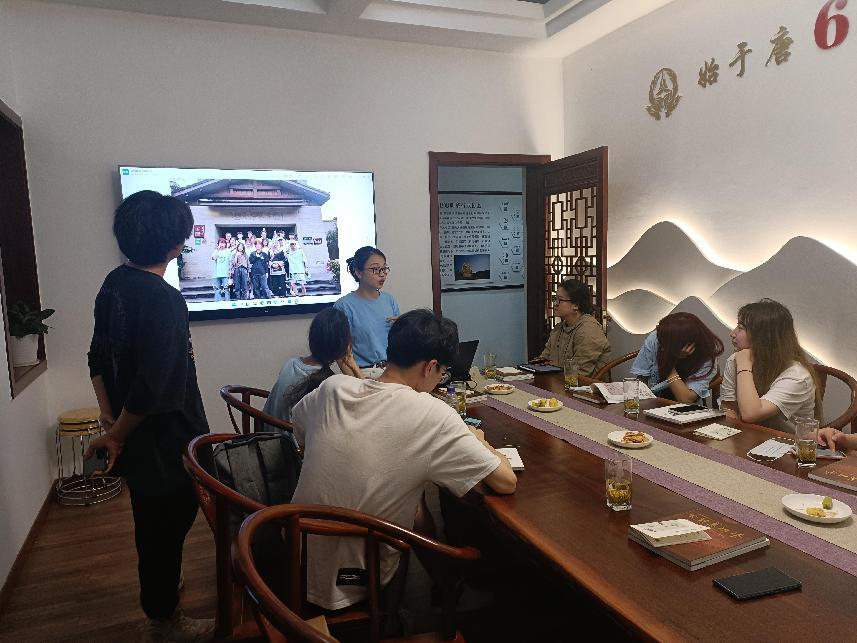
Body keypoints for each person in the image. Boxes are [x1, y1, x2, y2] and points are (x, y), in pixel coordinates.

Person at [290, 309, 516, 611]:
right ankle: (401, 613)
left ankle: (444, 586)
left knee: (415, 506)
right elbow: (505, 482)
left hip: (297, 553)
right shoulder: (432, 414)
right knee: (415, 509)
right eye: (443, 372)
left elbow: (300, 432)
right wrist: (480, 440)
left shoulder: (333, 387)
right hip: (354, 578)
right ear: (431, 367)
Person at [84, 190, 213, 642]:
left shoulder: (113, 283)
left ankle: (164, 589)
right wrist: (117, 433)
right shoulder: (164, 299)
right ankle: (163, 621)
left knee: (152, 524)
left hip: (135, 436)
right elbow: (155, 390)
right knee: (165, 527)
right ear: (176, 244)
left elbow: (96, 357)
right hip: (167, 441)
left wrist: (110, 420)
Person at [720, 299, 821, 433]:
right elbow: (728, 407)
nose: (732, 334)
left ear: (764, 337)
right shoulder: (735, 360)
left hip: (788, 441)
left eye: (741, 328)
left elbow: (751, 414)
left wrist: (744, 366)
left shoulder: (797, 376)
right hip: (748, 436)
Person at [262, 307, 361, 427]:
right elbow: (365, 403)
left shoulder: (291, 363)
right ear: (343, 345)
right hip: (290, 438)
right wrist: (353, 365)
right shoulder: (329, 383)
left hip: (267, 433)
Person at [630, 312, 724, 404]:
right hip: (654, 402)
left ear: (688, 345)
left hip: (684, 409)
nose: (661, 347)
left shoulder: (707, 359)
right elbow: (641, 379)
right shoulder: (656, 338)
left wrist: (670, 362)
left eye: (665, 344)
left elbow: (686, 399)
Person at [333, 246, 400, 367]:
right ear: (358, 272)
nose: (382, 274)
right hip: (365, 371)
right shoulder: (343, 306)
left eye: (384, 268)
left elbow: (400, 341)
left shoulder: (389, 300)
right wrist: (359, 378)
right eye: (375, 269)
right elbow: (341, 354)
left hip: (393, 368)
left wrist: (402, 327)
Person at [532, 278, 610, 376]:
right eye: (554, 299)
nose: (555, 304)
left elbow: (580, 372)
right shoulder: (559, 328)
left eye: (559, 300)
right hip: (557, 380)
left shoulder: (589, 329)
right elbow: (544, 358)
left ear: (576, 305)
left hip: (583, 384)